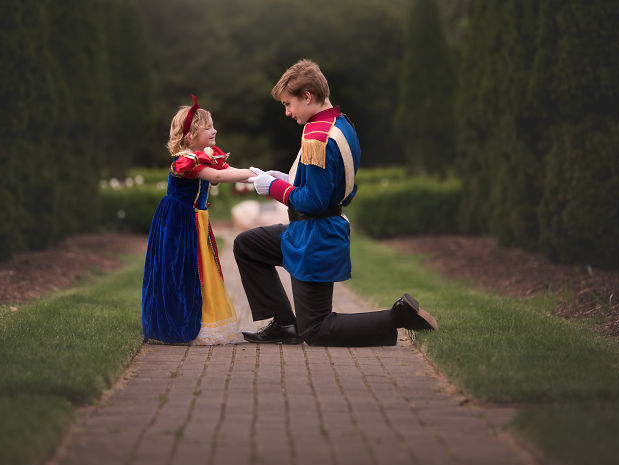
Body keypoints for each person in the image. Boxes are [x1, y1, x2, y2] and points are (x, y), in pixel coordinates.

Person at [236, 59, 438, 346]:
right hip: (310, 232)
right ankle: (284, 325)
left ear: (307, 96)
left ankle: (398, 317)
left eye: (288, 104)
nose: (287, 112)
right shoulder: (342, 124)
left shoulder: (316, 137)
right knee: (248, 245)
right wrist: (288, 178)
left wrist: (274, 188)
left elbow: (314, 202)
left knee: (316, 330)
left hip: (314, 238)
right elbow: (340, 187)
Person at [142, 96, 253, 345]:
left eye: (213, 126)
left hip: (195, 220)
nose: (215, 130)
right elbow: (217, 177)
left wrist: (260, 176)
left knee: (202, 269)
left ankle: (204, 319)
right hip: (179, 222)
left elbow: (228, 171)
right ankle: (184, 322)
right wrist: (254, 175)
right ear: (190, 136)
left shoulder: (206, 156)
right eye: (208, 128)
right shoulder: (186, 161)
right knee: (183, 270)